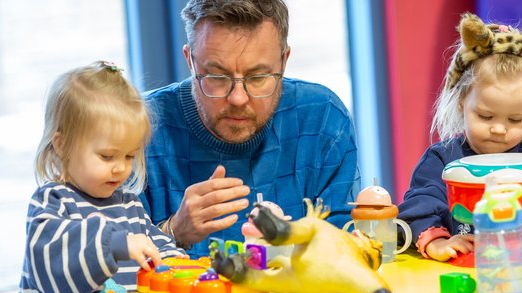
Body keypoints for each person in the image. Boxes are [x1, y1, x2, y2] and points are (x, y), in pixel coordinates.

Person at [141, 0, 360, 258]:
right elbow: (106, 267)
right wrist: (174, 231)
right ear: (190, 61)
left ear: (283, 61)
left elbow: (344, 249)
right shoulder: (141, 127)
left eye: (257, 77)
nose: (238, 98)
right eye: (217, 77)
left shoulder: (323, 119)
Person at [398, 13, 522, 262]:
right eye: (485, 116)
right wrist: (437, 242)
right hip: (468, 273)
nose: (499, 129)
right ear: (463, 102)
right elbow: (421, 205)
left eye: (514, 119)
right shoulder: (442, 159)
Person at [14, 61, 186, 293]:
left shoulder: (129, 205)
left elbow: (158, 247)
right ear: (62, 145)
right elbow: (51, 264)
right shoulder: (53, 202)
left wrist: (181, 266)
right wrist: (115, 243)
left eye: (129, 155)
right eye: (107, 156)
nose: (120, 167)